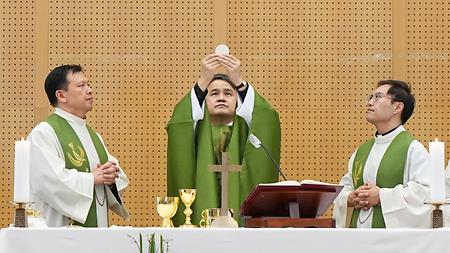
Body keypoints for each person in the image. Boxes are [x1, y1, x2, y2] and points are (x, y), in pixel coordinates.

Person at [166, 54, 281, 225]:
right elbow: (178, 126)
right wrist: (202, 83)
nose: (221, 97)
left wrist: (240, 83)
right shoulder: (195, 129)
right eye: (214, 93)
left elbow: (268, 120)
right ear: (204, 100)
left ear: (237, 101)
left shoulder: (248, 132)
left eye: (228, 93)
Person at [27, 65, 129, 227]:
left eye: (88, 85)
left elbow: (111, 176)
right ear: (61, 95)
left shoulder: (93, 136)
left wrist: (112, 176)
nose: (89, 90)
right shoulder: (44, 133)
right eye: (81, 86)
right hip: (61, 234)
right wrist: (91, 179)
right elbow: (49, 183)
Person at [333, 80, 431, 228]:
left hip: (393, 243)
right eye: (370, 97)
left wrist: (381, 197)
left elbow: (424, 194)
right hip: (358, 237)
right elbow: (345, 187)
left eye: (377, 97)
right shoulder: (362, 151)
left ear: (397, 107)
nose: (369, 102)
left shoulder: (413, 149)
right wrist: (350, 197)